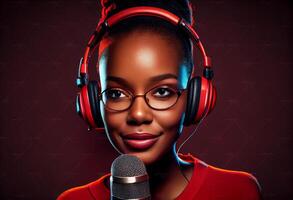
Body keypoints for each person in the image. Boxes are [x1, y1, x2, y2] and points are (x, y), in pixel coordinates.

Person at [58, 0, 262, 199]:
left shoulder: (238, 191)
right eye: (116, 93)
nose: (138, 114)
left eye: (162, 92)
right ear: (92, 105)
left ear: (196, 99)